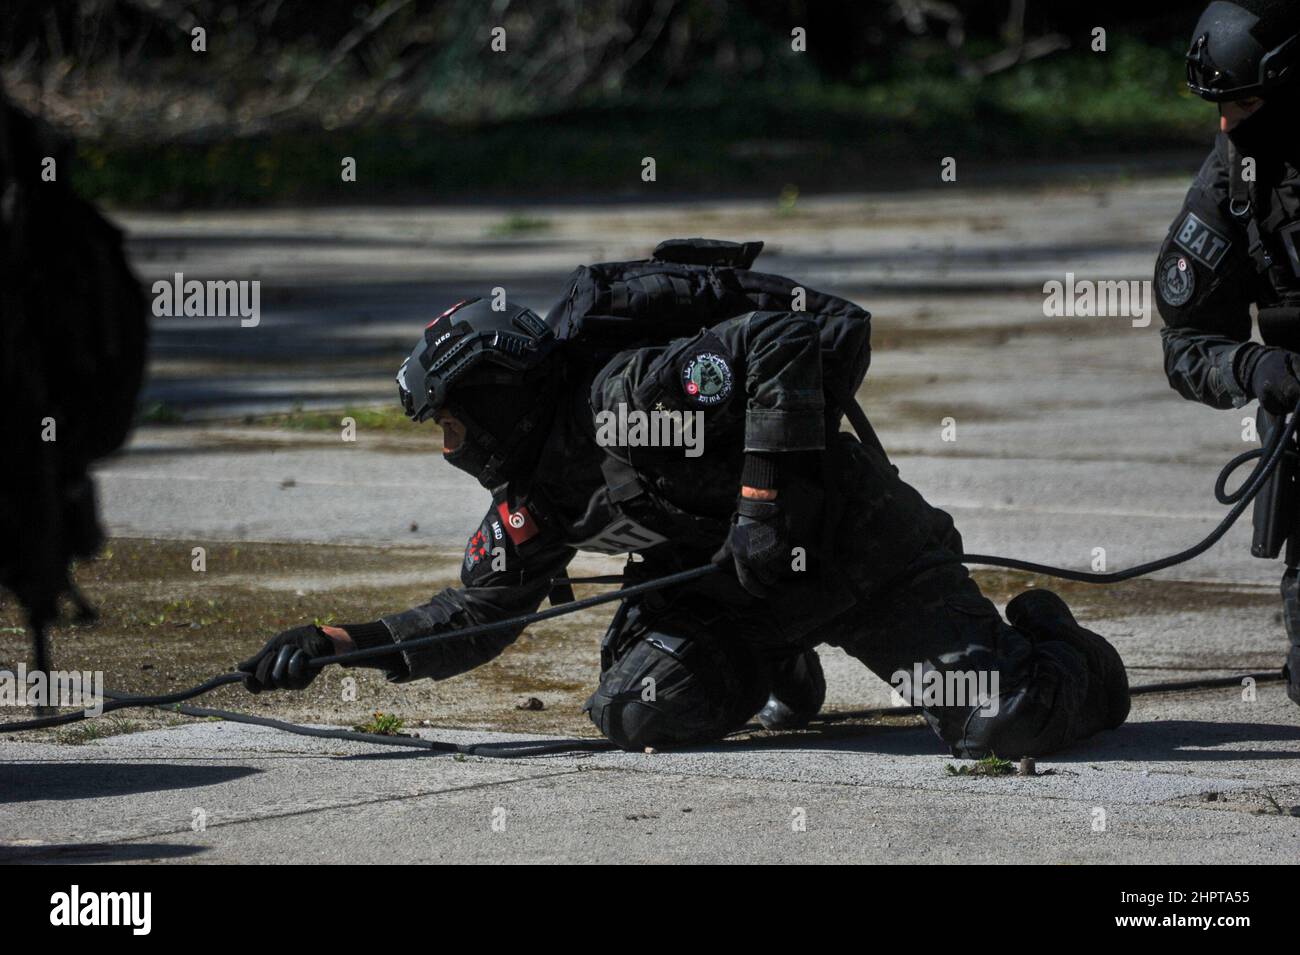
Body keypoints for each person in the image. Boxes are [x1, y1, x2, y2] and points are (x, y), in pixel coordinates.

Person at [240, 239, 1129, 757]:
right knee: (637, 709)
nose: (447, 447)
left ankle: (1069, 650)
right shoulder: (534, 493)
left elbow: (777, 339)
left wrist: (757, 504)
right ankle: (780, 663)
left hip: (862, 553)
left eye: (450, 423)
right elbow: (476, 611)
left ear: (496, 399)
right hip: (735, 595)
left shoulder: (631, 394)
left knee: (1000, 724)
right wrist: (334, 644)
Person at [1155, 0, 1300, 703]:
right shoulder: (1231, 184)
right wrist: (1255, 367)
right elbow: (1185, 344)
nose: (1225, 124)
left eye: (1240, 103)